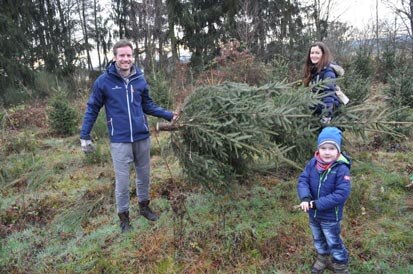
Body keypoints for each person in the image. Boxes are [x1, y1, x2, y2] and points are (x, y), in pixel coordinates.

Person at [80, 39, 177, 233]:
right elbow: (92, 108)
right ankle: (124, 219)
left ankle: (144, 208)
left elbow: (147, 105)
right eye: (122, 55)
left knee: (144, 177)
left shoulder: (139, 79)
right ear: (115, 57)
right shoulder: (104, 82)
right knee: (123, 183)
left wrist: (169, 114)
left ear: (133, 57)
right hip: (120, 140)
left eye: (129, 55)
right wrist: (85, 134)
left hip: (142, 137)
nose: (126, 59)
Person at [297, 127, 351, 274]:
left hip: (330, 217)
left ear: (338, 151)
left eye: (332, 148)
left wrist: (316, 204)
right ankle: (323, 259)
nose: (327, 152)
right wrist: (306, 198)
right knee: (318, 239)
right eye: (323, 148)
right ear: (318, 149)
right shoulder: (313, 163)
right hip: (313, 215)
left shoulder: (341, 169)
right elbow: (303, 180)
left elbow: (341, 194)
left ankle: (340, 266)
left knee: (334, 241)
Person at [303, 42, 342, 124]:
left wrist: (326, 115)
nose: (313, 55)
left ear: (323, 55)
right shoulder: (313, 69)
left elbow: (328, 94)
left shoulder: (328, 72)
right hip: (315, 107)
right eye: (312, 53)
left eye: (317, 53)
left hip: (324, 109)